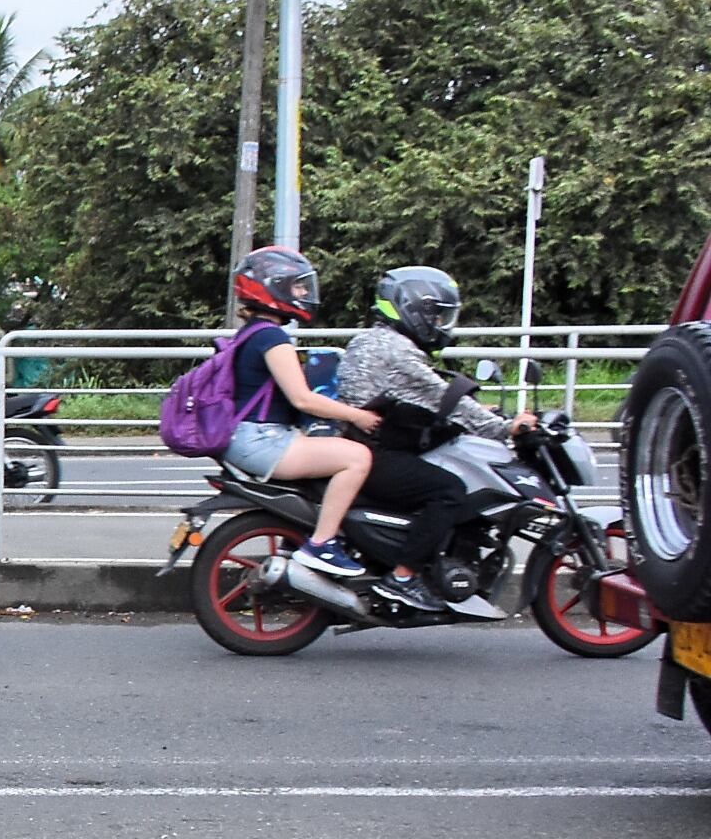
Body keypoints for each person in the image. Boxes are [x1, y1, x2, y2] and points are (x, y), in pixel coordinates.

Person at [335, 265, 535, 616]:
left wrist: (477, 411)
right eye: (437, 316)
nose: (441, 325)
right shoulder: (396, 351)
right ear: (414, 309)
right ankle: (403, 578)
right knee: (450, 490)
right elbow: (441, 396)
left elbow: (423, 399)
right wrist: (506, 428)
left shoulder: (372, 340)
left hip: (362, 445)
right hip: (377, 452)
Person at [215, 247, 384, 579]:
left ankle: (299, 538)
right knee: (357, 458)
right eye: (298, 286)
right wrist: (356, 415)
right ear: (272, 288)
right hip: (262, 441)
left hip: (250, 436)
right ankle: (321, 544)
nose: (304, 294)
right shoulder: (272, 337)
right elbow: (303, 399)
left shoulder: (252, 333)